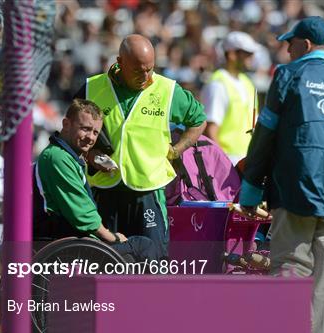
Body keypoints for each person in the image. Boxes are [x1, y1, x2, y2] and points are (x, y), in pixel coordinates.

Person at [238, 16, 324, 333]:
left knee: (289, 266)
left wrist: (250, 189)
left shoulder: (288, 75)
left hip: (294, 189)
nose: (286, 49)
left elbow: (265, 136)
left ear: (306, 45)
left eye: (289, 44)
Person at [75, 34, 207, 257]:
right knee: (103, 260)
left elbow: (199, 120)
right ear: (120, 62)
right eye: (138, 70)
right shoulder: (91, 88)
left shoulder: (168, 90)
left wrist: (177, 149)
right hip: (105, 192)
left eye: (150, 69)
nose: (146, 76)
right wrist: (91, 155)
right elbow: (73, 134)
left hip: (149, 192)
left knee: (153, 261)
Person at [33, 99, 162, 261]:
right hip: (63, 244)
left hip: (72, 241)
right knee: (143, 246)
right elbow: (83, 216)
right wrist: (112, 237)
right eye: (85, 129)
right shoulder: (58, 157)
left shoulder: (70, 157)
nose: (90, 138)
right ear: (66, 124)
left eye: (95, 132)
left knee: (133, 254)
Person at [200, 31, 258, 165]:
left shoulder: (247, 83)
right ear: (232, 54)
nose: (252, 57)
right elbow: (211, 130)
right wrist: (223, 164)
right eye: (247, 53)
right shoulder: (217, 84)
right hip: (228, 163)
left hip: (245, 161)